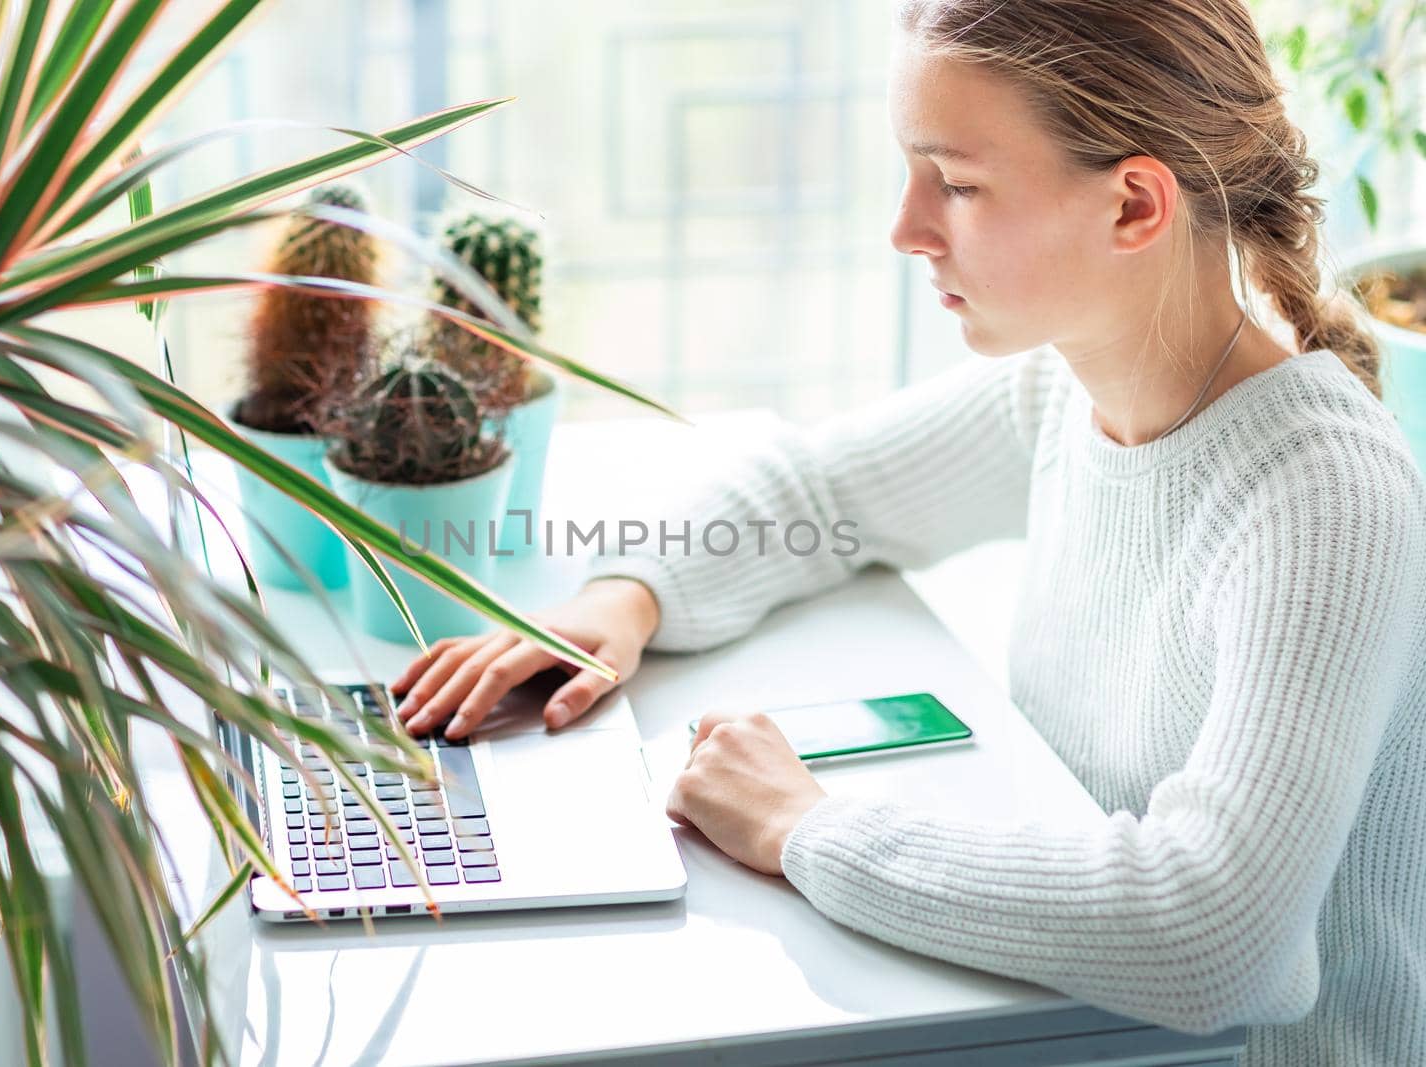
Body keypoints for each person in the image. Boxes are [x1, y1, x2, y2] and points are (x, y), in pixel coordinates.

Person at [388, 1, 1426, 1062]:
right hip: (1087, 1027)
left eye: (960, 185)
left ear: (1133, 205)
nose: (906, 227)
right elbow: (821, 489)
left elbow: (1213, 935)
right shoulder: (1068, 391)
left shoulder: (1321, 498)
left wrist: (803, 826)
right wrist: (628, 597)